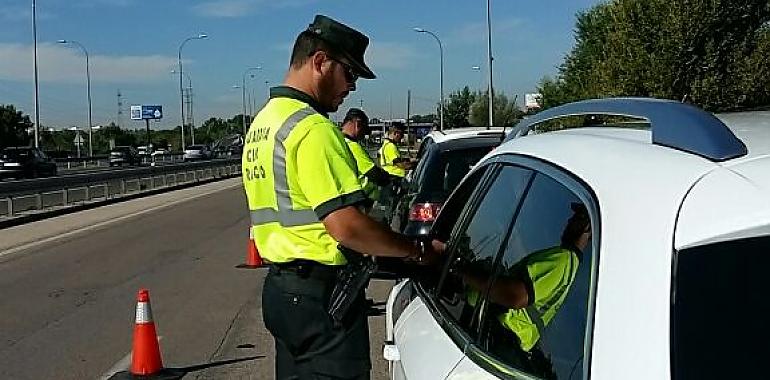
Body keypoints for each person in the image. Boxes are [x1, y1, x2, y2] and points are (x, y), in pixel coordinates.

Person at [241, 15, 443, 380]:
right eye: (349, 73)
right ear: (320, 61)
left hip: (283, 293)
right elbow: (347, 226)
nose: (351, 87)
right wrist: (418, 251)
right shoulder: (312, 129)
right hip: (322, 298)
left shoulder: (264, 124)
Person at [463, 203, 591, 377]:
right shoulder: (571, 266)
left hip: (496, 339)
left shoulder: (562, 260)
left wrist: (461, 272)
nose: (569, 220)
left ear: (587, 227)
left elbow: (515, 296)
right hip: (507, 347)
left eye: (576, 218)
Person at [340, 108, 396, 209]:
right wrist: (391, 179)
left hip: (348, 199)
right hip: (362, 199)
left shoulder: (339, 142)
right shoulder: (352, 145)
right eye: (364, 131)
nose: (364, 135)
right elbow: (372, 172)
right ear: (357, 124)